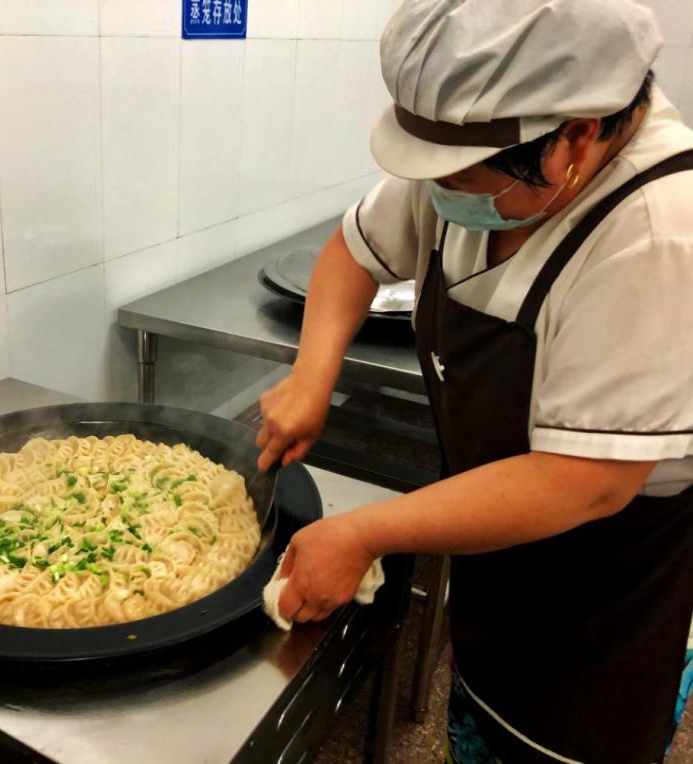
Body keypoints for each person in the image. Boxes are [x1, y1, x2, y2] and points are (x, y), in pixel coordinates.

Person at [255, 1, 693, 761]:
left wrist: (366, 531)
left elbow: (584, 482)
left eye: (460, 179)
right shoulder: (487, 159)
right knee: (482, 708)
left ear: (576, 136)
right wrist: (310, 379)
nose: (442, 196)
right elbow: (353, 253)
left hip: (608, 585)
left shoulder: (659, 233)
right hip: (499, 548)